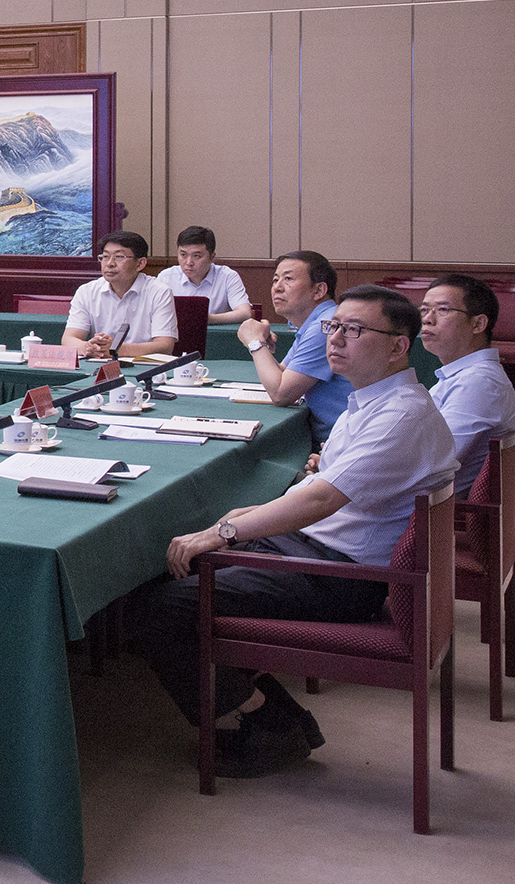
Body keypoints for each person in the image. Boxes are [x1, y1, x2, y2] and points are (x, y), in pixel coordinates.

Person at [127, 285, 456, 778]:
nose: (335, 339)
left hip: (340, 576)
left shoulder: (401, 414)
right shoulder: (373, 400)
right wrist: (248, 518)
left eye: (354, 330)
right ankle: (282, 717)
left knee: (163, 608)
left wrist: (226, 530)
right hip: (318, 549)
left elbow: (321, 500)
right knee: (168, 570)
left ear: (397, 346)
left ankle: (267, 725)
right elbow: (321, 487)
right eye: (333, 326)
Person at [237, 250, 353, 441]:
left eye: (288, 279)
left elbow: (281, 394)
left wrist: (255, 342)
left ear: (319, 290)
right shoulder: (316, 321)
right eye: (275, 280)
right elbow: (282, 373)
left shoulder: (326, 326)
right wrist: (261, 346)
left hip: (342, 444)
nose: (277, 287)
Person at [419, 273, 515, 494]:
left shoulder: (480, 383)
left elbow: (432, 463)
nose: (427, 319)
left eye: (442, 310)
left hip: (429, 509)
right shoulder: (461, 376)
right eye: (424, 310)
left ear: (478, 324)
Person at [63, 230, 177, 358]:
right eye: (105, 256)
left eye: (119, 257)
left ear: (140, 263)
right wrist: (88, 347)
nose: (110, 263)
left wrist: (115, 349)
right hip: (101, 363)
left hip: (144, 365)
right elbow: (69, 339)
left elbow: (164, 346)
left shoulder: (159, 292)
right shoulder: (87, 291)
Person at [157, 225, 253, 324]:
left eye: (196, 256)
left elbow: (245, 313)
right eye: (183, 255)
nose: (189, 262)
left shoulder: (227, 276)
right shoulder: (166, 277)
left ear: (212, 257)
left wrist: (208, 319)